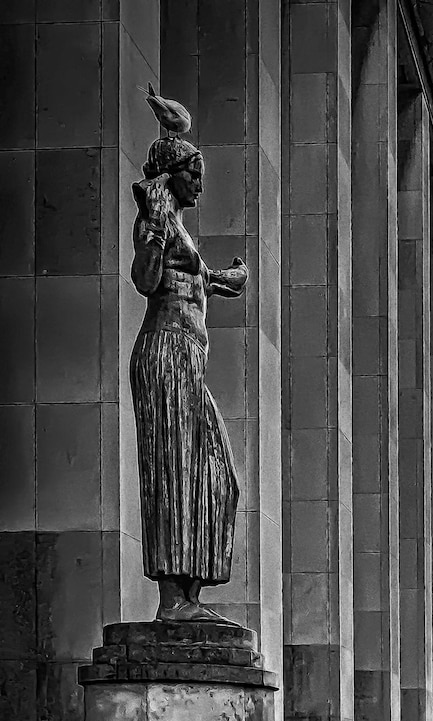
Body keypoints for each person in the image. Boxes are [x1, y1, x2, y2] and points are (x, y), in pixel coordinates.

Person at [130, 92, 247, 623]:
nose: (199, 183)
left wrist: (225, 279)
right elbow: (146, 279)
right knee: (175, 472)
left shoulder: (179, 227)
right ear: (172, 174)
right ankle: (174, 602)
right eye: (193, 174)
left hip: (188, 361)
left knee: (217, 479)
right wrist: (154, 229)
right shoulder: (157, 220)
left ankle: (190, 596)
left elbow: (192, 276)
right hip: (166, 354)